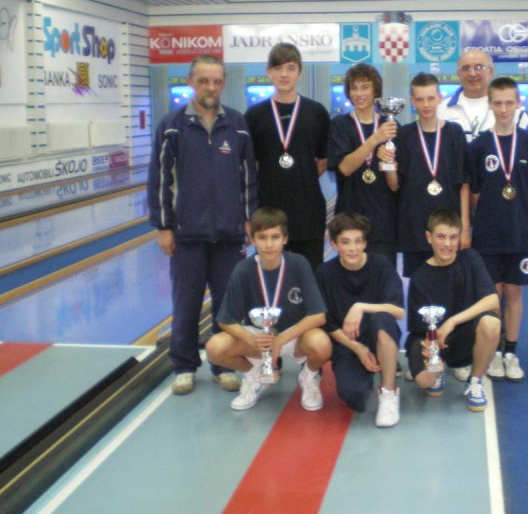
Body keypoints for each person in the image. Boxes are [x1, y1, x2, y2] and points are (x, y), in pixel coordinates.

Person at [147, 54, 258, 396]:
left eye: (217, 81)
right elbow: (160, 179)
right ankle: (184, 366)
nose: (211, 87)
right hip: (187, 234)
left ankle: (223, 365)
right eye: (204, 80)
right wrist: (163, 226)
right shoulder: (172, 125)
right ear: (191, 82)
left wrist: (249, 219)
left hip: (229, 235)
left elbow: (249, 178)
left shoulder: (237, 124)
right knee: (186, 305)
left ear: (223, 84)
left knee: (229, 307)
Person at [206, 207, 332, 411]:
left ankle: (309, 377)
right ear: (253, 239)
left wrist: (280, 340)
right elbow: (225, 320)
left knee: (321, 344)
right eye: (262, 237)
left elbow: (318, 316)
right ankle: (254, 376)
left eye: (275, 237)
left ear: (285, 239)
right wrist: (252, 340)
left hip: (293, 336)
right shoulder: (243, 269)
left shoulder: (299, 264)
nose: (269, 244)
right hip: (260, 337)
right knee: (214, 348)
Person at [469, 77, 528, 382]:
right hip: (487, 234)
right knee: (493, 293)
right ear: (489, 104)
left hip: (521, 233)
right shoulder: (478, 146)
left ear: (518, 103)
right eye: (497, 103)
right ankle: (495, 351)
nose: (503, 109)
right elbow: (474, 194)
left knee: (514, 292)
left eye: (509, 103)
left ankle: (511, 352)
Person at [245, 42, 330, 272]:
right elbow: (252, 164)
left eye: (291, 68)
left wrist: (301, 176)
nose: (284, 74)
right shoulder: (254, 115)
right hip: (268, 212)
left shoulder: (316, 112)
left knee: (310, 276)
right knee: (271, 277)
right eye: (278, 68)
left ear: (299, 73)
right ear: (268, 72)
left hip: (308, 212)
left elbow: (323, 160)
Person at [406, 210, 501, 412]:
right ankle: (438, 371)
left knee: (491, 323)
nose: (447, 244)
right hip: (434, 340)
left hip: (464, 336)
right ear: (429, 237)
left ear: (459, 238)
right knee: (425, 382)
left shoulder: (470, 258)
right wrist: (433, 356)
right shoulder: (420, 278)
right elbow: (420, 331)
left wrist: (452, 321)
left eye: (453, 237)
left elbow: (493, 300)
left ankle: (475, 381)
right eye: (441, 237)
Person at [316, 212, 404, 427]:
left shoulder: (380, 264)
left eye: (358, 241)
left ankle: (388, 393)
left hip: (378, 334)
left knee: (382, 318)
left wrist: (360, 307)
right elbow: (328, 323)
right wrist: (358, 348)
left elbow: (398, 311)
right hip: (348, 344)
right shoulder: (325, 274)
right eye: (345, 242)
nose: (353, 248)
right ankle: (372, 366)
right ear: (334, 244)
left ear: (365, 243)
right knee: (353, 396)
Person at [385, 72, 470, 279]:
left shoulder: (455, 133)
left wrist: (465, 228)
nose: (426, 104)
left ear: (440, 98)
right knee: (419, 286)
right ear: (412, 101)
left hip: (449, 229)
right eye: (420, 99)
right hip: (415, 226)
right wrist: (388, 165)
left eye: (431, 98)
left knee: (451, 285)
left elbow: (464, 185)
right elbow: (394, 186)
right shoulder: (403, 135)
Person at [327, 64, 399, 265]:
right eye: (354, 88)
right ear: (348, 92)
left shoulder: (390, 126)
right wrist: (374, 140)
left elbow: (394, 185)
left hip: (383, 220)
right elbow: (345, 168)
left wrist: (389, 163)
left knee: (383, 277)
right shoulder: (340, 125)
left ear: (375, 90)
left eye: (365, 87)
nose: (359, 93)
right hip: (349, 219)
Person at [437, 49, 528, 143]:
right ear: (458, 73)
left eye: (479, 67)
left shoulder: (514, 112)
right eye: (466, 68)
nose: (472, 73)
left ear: (490, 72)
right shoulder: (441, 110)